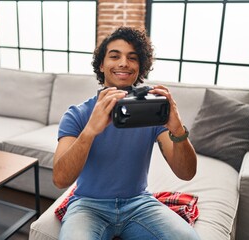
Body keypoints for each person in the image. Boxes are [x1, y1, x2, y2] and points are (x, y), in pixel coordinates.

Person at [53, 26, 199, 240]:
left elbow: (186, 173)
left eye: (132, 58)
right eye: (115, 56)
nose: (123, 63)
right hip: (88, 206)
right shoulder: (77, 114)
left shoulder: (152, 112)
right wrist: (90, 132)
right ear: (101, 64)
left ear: (140, 67)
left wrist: (177, 129)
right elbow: (60, 179)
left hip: (138, 203)